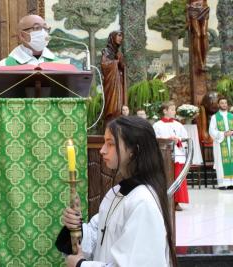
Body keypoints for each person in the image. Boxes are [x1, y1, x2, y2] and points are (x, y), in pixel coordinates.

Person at [56, 116, 176, 266]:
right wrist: (76, 228)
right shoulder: (116, 192)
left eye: (110, 144)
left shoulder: (142, 202)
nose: (102, 150)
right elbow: (99, 236)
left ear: (134, 150)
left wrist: (80, 265)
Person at [153, 102, 189, 211]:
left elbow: (185, 138)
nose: (174, 112)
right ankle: (164, 201)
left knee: (177, 177)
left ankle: (176, 202)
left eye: (174, 109)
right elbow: (155, 139)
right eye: (172, 109)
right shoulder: (157, 125)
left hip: (177, 155)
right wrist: (168, 140)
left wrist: (178, 140)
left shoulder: (178, 125)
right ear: (165, 111)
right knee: (165, 178)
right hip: (164, 156)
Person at [101, 31, 126, 123]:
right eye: (119, 36)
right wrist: (116, 62)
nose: (120, 38)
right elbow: (104, 65)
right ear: (112, 37)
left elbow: (123, 67)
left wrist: (122, 64)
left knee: (119, 103)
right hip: (111, 82)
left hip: (118, 81)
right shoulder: (106, 51)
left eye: (121, 36)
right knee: (112, 103)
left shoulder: (119, 53)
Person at [209, 97, 233, 189]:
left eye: (225, 103)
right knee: (220, 162)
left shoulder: (231, 116)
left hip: (231, 142)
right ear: (219, 105)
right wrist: (223, 134)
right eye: (222, 103)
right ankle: (222, 184)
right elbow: (211, 131)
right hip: (220, 143)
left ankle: (231, 183)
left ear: (227, 104)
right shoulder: (215, 117)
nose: (224, 105)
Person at [187, 0, 209, 71]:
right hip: (193, 8)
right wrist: (187, 16)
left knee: (204, 34)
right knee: (198, 34)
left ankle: (204, 61)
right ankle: (200, 62)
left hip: (204, 7)